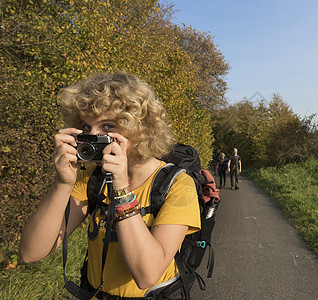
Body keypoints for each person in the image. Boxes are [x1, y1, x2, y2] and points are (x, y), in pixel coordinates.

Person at [19, 72, 201, 299]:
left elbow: (147, 275)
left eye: (107, 126)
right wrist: (63, 183)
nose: (92, 135)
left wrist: (122, 188)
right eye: (86, 127)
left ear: (141, 129)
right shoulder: (92, 178)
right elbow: (31, 252)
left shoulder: (177, 184)